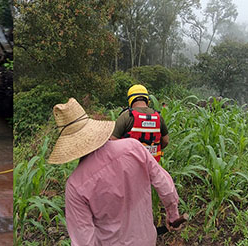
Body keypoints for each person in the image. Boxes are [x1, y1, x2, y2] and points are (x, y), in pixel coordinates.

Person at [50, 98, 187, 246]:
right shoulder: (133, 148)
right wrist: (173, 215)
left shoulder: (76, 185)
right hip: (147, 240)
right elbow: (164, 185)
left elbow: (84, 240)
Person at [112, 84, 169, 163]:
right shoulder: (158, 117)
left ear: (130, 99)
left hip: (130, 164)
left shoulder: (126, 116)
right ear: (147, 99)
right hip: (152, 164)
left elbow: (113, 140)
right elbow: (165, 141)